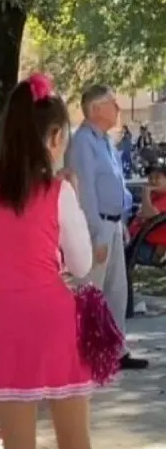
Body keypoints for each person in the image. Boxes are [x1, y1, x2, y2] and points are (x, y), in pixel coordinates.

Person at [0, 74, 95, 449]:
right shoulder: (58, 192)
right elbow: (81, 265)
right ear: (52, 137)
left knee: (17, 448)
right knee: (75, 442)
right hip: (52, 320)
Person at [65, 84, 149, 370]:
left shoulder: (105, 141)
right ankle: (86, 353)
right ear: (96, 108)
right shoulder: (82, 142)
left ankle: (116, 349)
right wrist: (97, 234)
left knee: (117, 291)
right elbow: (85, 190)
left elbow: (116, 184)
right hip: (97, 225)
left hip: (114, 223)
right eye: (113, 103)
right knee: (91, 292)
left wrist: (122, 222)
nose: (118, 108)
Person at [128, 165, 166, 264]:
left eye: (157, 177)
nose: (153, 181)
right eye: (150, 178)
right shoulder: (154, 196)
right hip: (137, 240)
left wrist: (146, 192)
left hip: (150, 248)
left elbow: (148, 214)